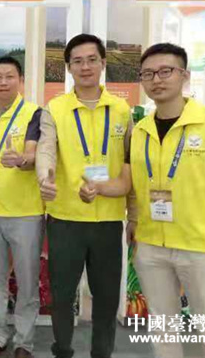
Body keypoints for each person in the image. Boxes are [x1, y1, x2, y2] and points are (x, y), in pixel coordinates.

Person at [87, 43, 205, 358]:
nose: (156, 79)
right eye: (148, 74)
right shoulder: (139, 130)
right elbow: (129, 184)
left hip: (203, 248)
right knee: (163, 329)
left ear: (184, 75)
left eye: (165, 71)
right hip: (152, 246)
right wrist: (99, 190)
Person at [36, 34, 133, 358]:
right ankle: (62, 349)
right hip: (66, 219)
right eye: (77, 61)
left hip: (108, 219)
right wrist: (44, 178)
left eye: (92, 59)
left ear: (103, 63)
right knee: (62, 295)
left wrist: (133, 216)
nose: (85, 66)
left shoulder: (121, 110)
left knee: (107, 297)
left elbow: (130, 165)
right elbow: (46, 149)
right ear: (69, 67)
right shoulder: (55, 108)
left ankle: (102, 352)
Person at [0, 56, 44, 358]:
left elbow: (33, 154)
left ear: (21, 81)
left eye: (10, 76)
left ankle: (24, 342)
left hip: (24, 212)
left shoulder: (34, 114)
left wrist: (23, 160)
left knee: (26, 280)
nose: (3, 82)